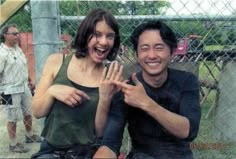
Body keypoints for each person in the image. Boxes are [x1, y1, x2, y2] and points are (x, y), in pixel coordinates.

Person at [94, 20, 201, 159]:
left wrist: (146, 103)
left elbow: (189, 131)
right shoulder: (127, 89)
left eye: (159, 48)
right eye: (144, 48)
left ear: (172, 52)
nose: (151, 55)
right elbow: (110, 144)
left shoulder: (187, 81)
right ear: (137, 55)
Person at [31, 8, 123, 159]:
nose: (104, 42)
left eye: (110, 36)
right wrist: (52, 91)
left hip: (88, 153)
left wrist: (105, 99)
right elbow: (37, 111)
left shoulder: (111, 77)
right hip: (51, 151)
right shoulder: (57, 61)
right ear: (85, 34)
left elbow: (100, 134)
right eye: (97, 34)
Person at [0, 24, 41, 153]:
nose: (17, 36)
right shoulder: (2, 53)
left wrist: (29, 80)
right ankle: (13, 144)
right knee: (12, 118)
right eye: (14, 34)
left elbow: (22, 67)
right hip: (10, 90)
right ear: (5, 35)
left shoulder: (18, 49)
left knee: (28, 113)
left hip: (24, 87)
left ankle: (29, 136)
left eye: (18, 33)